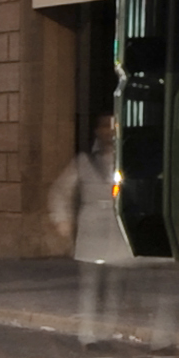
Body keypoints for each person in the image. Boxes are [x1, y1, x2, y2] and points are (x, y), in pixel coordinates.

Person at [49, 108, 137, 343]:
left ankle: (106, 334)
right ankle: (88, 335)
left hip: (117, 229)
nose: (109, 132)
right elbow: (60, 190)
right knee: (90, 286)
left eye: (113, 127)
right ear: (99, 131)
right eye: (105, 127)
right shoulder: (84, 162)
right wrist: (62, 219)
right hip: (92, 230)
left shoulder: (125, 162)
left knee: (114, 289)